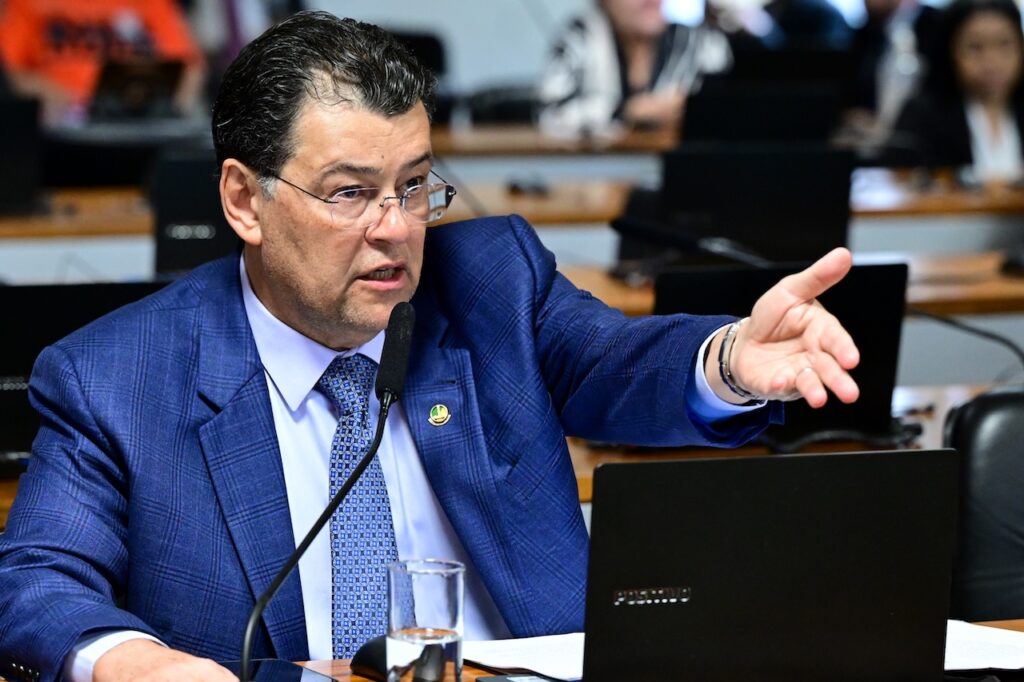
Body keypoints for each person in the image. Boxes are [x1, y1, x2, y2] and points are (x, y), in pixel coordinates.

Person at [0, 11, 860, 682]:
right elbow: (37, 577)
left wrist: (730, 360)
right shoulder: (117, 377)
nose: (396, 229)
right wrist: (129, 661)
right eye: (350, 193)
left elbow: (615, 363)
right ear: (244, 201)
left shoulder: (489, 285)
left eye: (414, 186)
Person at [538, 0, 733, 137]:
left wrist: (690, 110)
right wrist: (629, 111)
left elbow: (729, 114)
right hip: (597, 178)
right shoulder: (579, 38)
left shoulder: (703, 43)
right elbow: (551, 116)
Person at [0, 0, 207, 124]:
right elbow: (12, 73)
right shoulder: (30, 4)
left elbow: (190, 66)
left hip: (138, 120)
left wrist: (166, 108)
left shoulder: (148, 3)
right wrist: (76, 106)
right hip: (62, 128)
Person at [889, 0, 1024, 180]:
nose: (992, 62)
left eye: (1004, 44)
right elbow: (901, 180)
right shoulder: (922, 114)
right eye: (975, 47)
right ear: (951, 50)